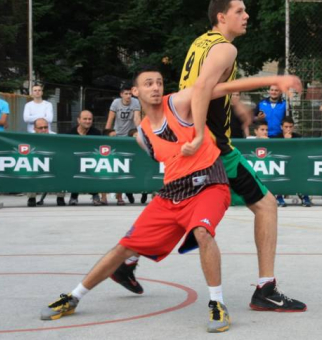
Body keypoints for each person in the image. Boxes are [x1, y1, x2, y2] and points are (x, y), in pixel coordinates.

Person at [40, 66, 303, 332]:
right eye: (148, 84)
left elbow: (222, 88)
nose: (155, 87)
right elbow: (166, 159)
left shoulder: (178, 103)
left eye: (159, 82)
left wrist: (274, 79)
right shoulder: (142, 134)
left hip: (210, 184)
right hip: (172, 194)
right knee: (123, 248)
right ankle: (73, 296)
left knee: (202, 231)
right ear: (135, 91)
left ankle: (217, 303)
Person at [174, 0, 305, 312]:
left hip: (184, 136)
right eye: (240, 11)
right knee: (267, 205)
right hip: (213, 145)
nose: (246, 16)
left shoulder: (200, 43)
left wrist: (237, 106)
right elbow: (203, 89)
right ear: (222, 17)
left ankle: (128, 259)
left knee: (175, 209)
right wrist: (204, 132)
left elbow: (206, 84)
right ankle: (266, 289)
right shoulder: (226, 48)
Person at [106, 83, 142, 204]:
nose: (128, 96)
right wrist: (107, 134)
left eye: (130, 94)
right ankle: (118, 195)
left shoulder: (135, 102)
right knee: (116, 165)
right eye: (126, 93)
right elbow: (110, 119)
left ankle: (129, 191)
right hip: (117, 135)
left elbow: (137, 118)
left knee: (130, 164)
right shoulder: (116, 103)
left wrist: (140, 133)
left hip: (130, 136)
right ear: (121, 94)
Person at [26, 118, 65, 207]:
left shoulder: (56, 137)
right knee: (30, 168)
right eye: (40, 128)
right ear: (34, 129)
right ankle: (31, 198)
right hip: (36, 164)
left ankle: (60, 197)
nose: (44, 130)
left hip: (53, 163)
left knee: (62, 168)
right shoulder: (29, 139)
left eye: (45, 127)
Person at [67, 110, 103, 206]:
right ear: (79, 120)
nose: (88, 121)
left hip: (92, 161)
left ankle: (95, 195)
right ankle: (74, 196)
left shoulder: (97, 133)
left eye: (90, 119)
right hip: (74, 161)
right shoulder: (70, 133)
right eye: (85, 119)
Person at [275, 116, 312, 207]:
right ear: (281, 127)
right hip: (281, 164)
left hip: (295, 163)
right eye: (286, 127)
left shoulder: (298, 137)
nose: (288, 129)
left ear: (293, 127)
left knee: (303, 171)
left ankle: (304, 195)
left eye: (290, 127)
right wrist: (286, 141)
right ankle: (279, 196)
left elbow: (302, 151)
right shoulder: (276, 138)